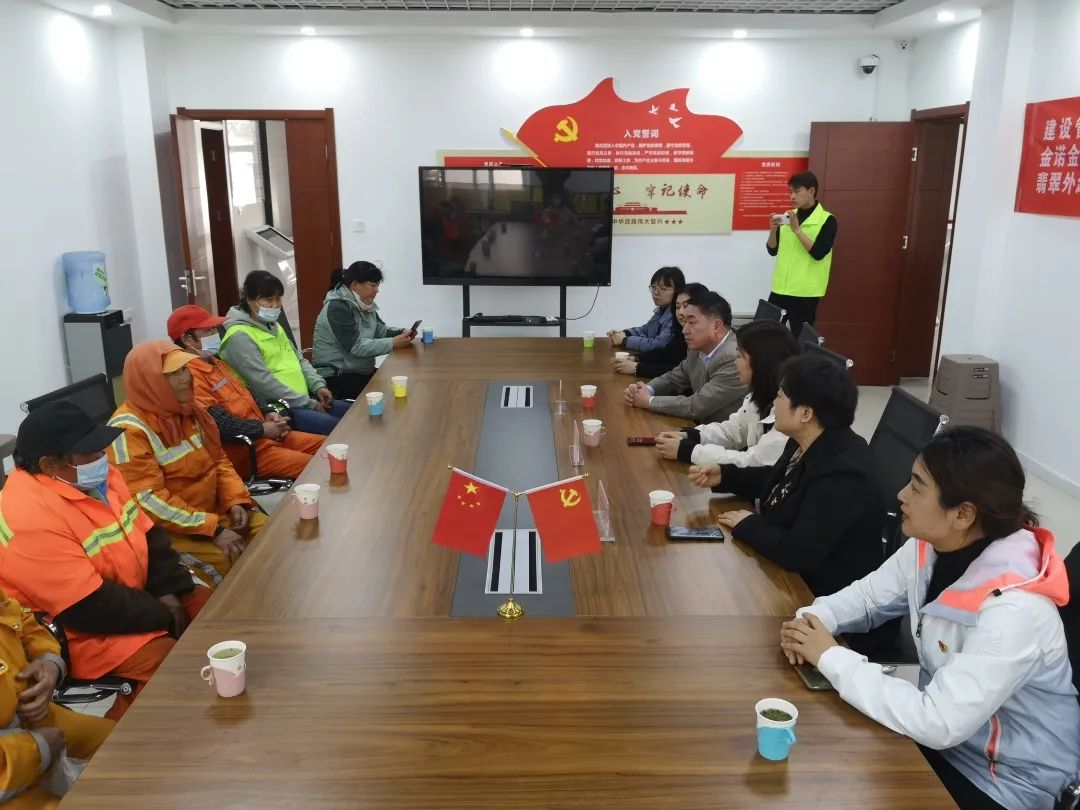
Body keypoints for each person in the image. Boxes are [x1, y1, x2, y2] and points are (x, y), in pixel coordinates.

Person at [780, 427, 1080, 810]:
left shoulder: (1015, 610)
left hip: (1006, 780)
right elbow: (866, 598)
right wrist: (810, 621)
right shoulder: (931, 546)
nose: (901, 494)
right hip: (944, 741)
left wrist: (829, 655)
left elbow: (938, 722)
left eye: (917, 487)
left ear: (963, 514)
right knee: (821, 758)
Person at [1, 402, 211, 721]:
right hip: (75, 630)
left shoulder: (92, 477)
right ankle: (121, 742)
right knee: (169, 663)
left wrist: (169, 590)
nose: (103, 457)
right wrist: (161, 614)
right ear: (50, 463)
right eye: (91, 452)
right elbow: (87, 605)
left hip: (131, 598)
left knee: (211, 611)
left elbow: (146, 533)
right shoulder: (28, 517)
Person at [689, 354, 881, 598]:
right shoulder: (809, 439)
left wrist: (749, 524)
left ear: (805, 413)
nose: (773, 403)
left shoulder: (843, 476)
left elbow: (797, 552)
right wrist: (724, 475)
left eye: (780, 396)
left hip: (820, 596)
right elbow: (780, 480)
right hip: (791, 576)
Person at [107, 341, 265, 587]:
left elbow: (218, 460)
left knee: (272, 535)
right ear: (150, 381)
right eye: (173, 373)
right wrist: (213, 529)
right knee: (231, 566)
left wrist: (235, 500)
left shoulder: (190, 410)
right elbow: (148, 501)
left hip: (214, 514)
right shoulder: (127, 431)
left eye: (184, 369)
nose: (185, 378)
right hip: (176, 532)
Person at [168, 304, 325, 480]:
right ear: (187, 339)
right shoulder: (190, 375)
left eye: (214, 328)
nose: (215, 333)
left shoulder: (215, 361)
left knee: (330, 448)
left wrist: (268, 412)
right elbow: (218, 423)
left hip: (268, 436)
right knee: (319, 468)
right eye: (208, 330)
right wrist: (262, 429)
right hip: (249, 450)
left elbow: (247, 390)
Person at [0, 586, 113, 807]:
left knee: (123, 744)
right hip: (14, 759)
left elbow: (22, 621)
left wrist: (47, 660)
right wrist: (38, 748)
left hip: (34, 719)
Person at [220, 270, 350, 436]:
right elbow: (264, 384)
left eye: (278, 299)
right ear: (250, 300)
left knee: (354, 413)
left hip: (305, 398)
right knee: (340, 430)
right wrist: (309, 403)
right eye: (269, 300)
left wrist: (318, 386)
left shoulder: (273, 325)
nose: (275, 305)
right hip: (280, 408)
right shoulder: (239, 337)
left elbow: (299, 360)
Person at [655, 320, 799, 468]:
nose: (736, 362)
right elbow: (734, 431)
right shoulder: (761, 393)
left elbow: (755, 462)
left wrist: (689, 451)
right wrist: (691, 436)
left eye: (740, 356)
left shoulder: (790, 407)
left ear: (762, 362)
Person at [624, 290, 746, 424]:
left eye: (692, 323)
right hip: (702, 427)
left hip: (725, 434)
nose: (684, 330)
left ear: (716, 326)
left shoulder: (735, 358)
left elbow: (697, 406)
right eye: (685, 322)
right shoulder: (697, 348)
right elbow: (674, 378)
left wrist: (648, 401)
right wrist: (646, 390)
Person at [312, 262, 417, 400]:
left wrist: (400, 333)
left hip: (358, 371)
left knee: (399, 386)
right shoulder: (337, 308)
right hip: (338, 376)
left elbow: (380, 332)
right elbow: (355, 347)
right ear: (355, 284)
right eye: (372, 285)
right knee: (388, 396)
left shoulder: (364, 302)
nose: (376, 290)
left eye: (377, 286)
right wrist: (393, 343)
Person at [766, 171, 838, 339]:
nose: (792, 196)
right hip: (780, 289)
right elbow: (772, 250)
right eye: (790, 191)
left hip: (805, 293)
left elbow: (819, 253)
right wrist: (773, 229)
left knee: (801, 340)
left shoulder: (827, 220)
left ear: (811, 191)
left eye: (797, 191)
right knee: (765, 336)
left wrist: (797, 230)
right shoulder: (788, 216)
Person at [613, 282, 706, 379]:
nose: (681, 312)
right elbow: (666, 353)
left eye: (686, 306)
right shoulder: (676, 328)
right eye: (677, 307)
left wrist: (637, 368)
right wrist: (636, 358)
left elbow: (678, 372)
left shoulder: (700, 339)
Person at [608, 266, 685, 353]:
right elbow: (645, 330)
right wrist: (624, 333)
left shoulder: (677, 316)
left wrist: (624, 340)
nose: (655, 292)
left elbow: (659, 345)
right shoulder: (661, 310)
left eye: (663, 288)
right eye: (653, 287)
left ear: (677, 291)